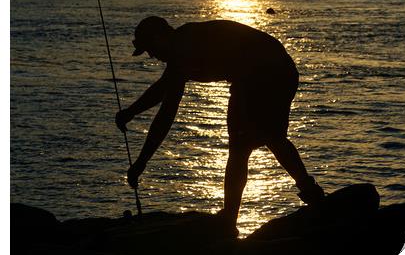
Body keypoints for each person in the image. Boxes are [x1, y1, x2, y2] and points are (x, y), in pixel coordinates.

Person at [116, 16, 325, 234]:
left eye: (150, 48)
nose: (152, 55)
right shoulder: (182, 47)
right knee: (272, 137)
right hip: (282, 70)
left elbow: (166, 113)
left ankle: (229, 220)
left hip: (263, 73)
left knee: (241, 147)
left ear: (160, 37)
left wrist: (141, 162)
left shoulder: (182, 50)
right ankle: (312, 195)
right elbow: (163, 88)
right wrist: (130, 113)